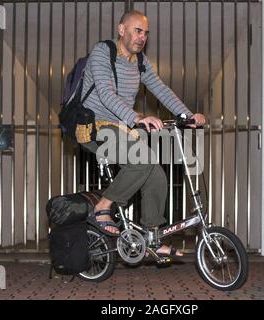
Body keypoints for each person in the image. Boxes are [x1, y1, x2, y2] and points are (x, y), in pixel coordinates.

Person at [77, 10, 205, 256]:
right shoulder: (103, 52)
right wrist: (136, 117)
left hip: (120, 128)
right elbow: (105, 93)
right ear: (121, 29)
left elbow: (162, 90)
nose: (142, 37)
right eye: (138, 30)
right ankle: (102, 208)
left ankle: (153, 239)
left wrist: (187, 116)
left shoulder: (141, 62)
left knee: (156, 175)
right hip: (94, 127)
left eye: (146, 33)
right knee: (142, 160)